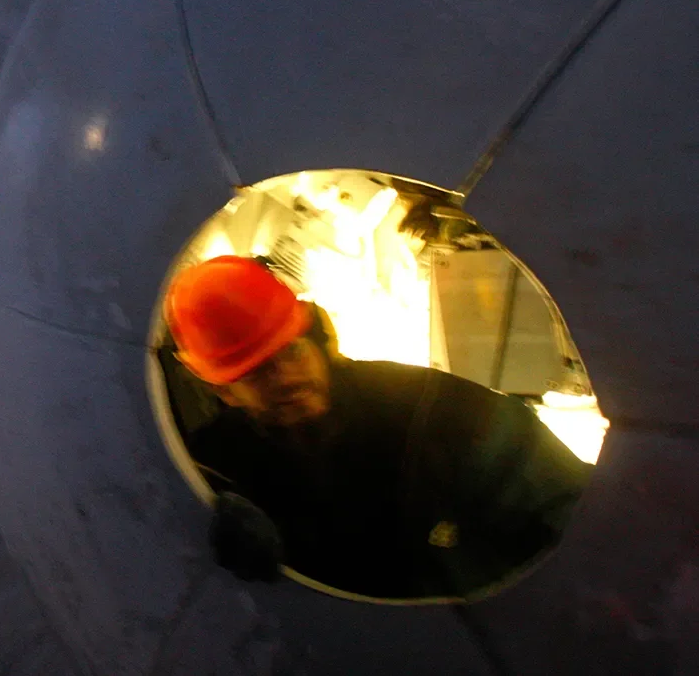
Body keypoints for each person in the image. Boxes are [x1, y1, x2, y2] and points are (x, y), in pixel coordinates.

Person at [162, 255, 592, 599]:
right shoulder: (211, 470)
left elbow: (569, 507)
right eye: (257, 372)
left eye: (291, 352)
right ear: (225, 392)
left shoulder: (429, 408)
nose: (286, 378)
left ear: (315, 337)